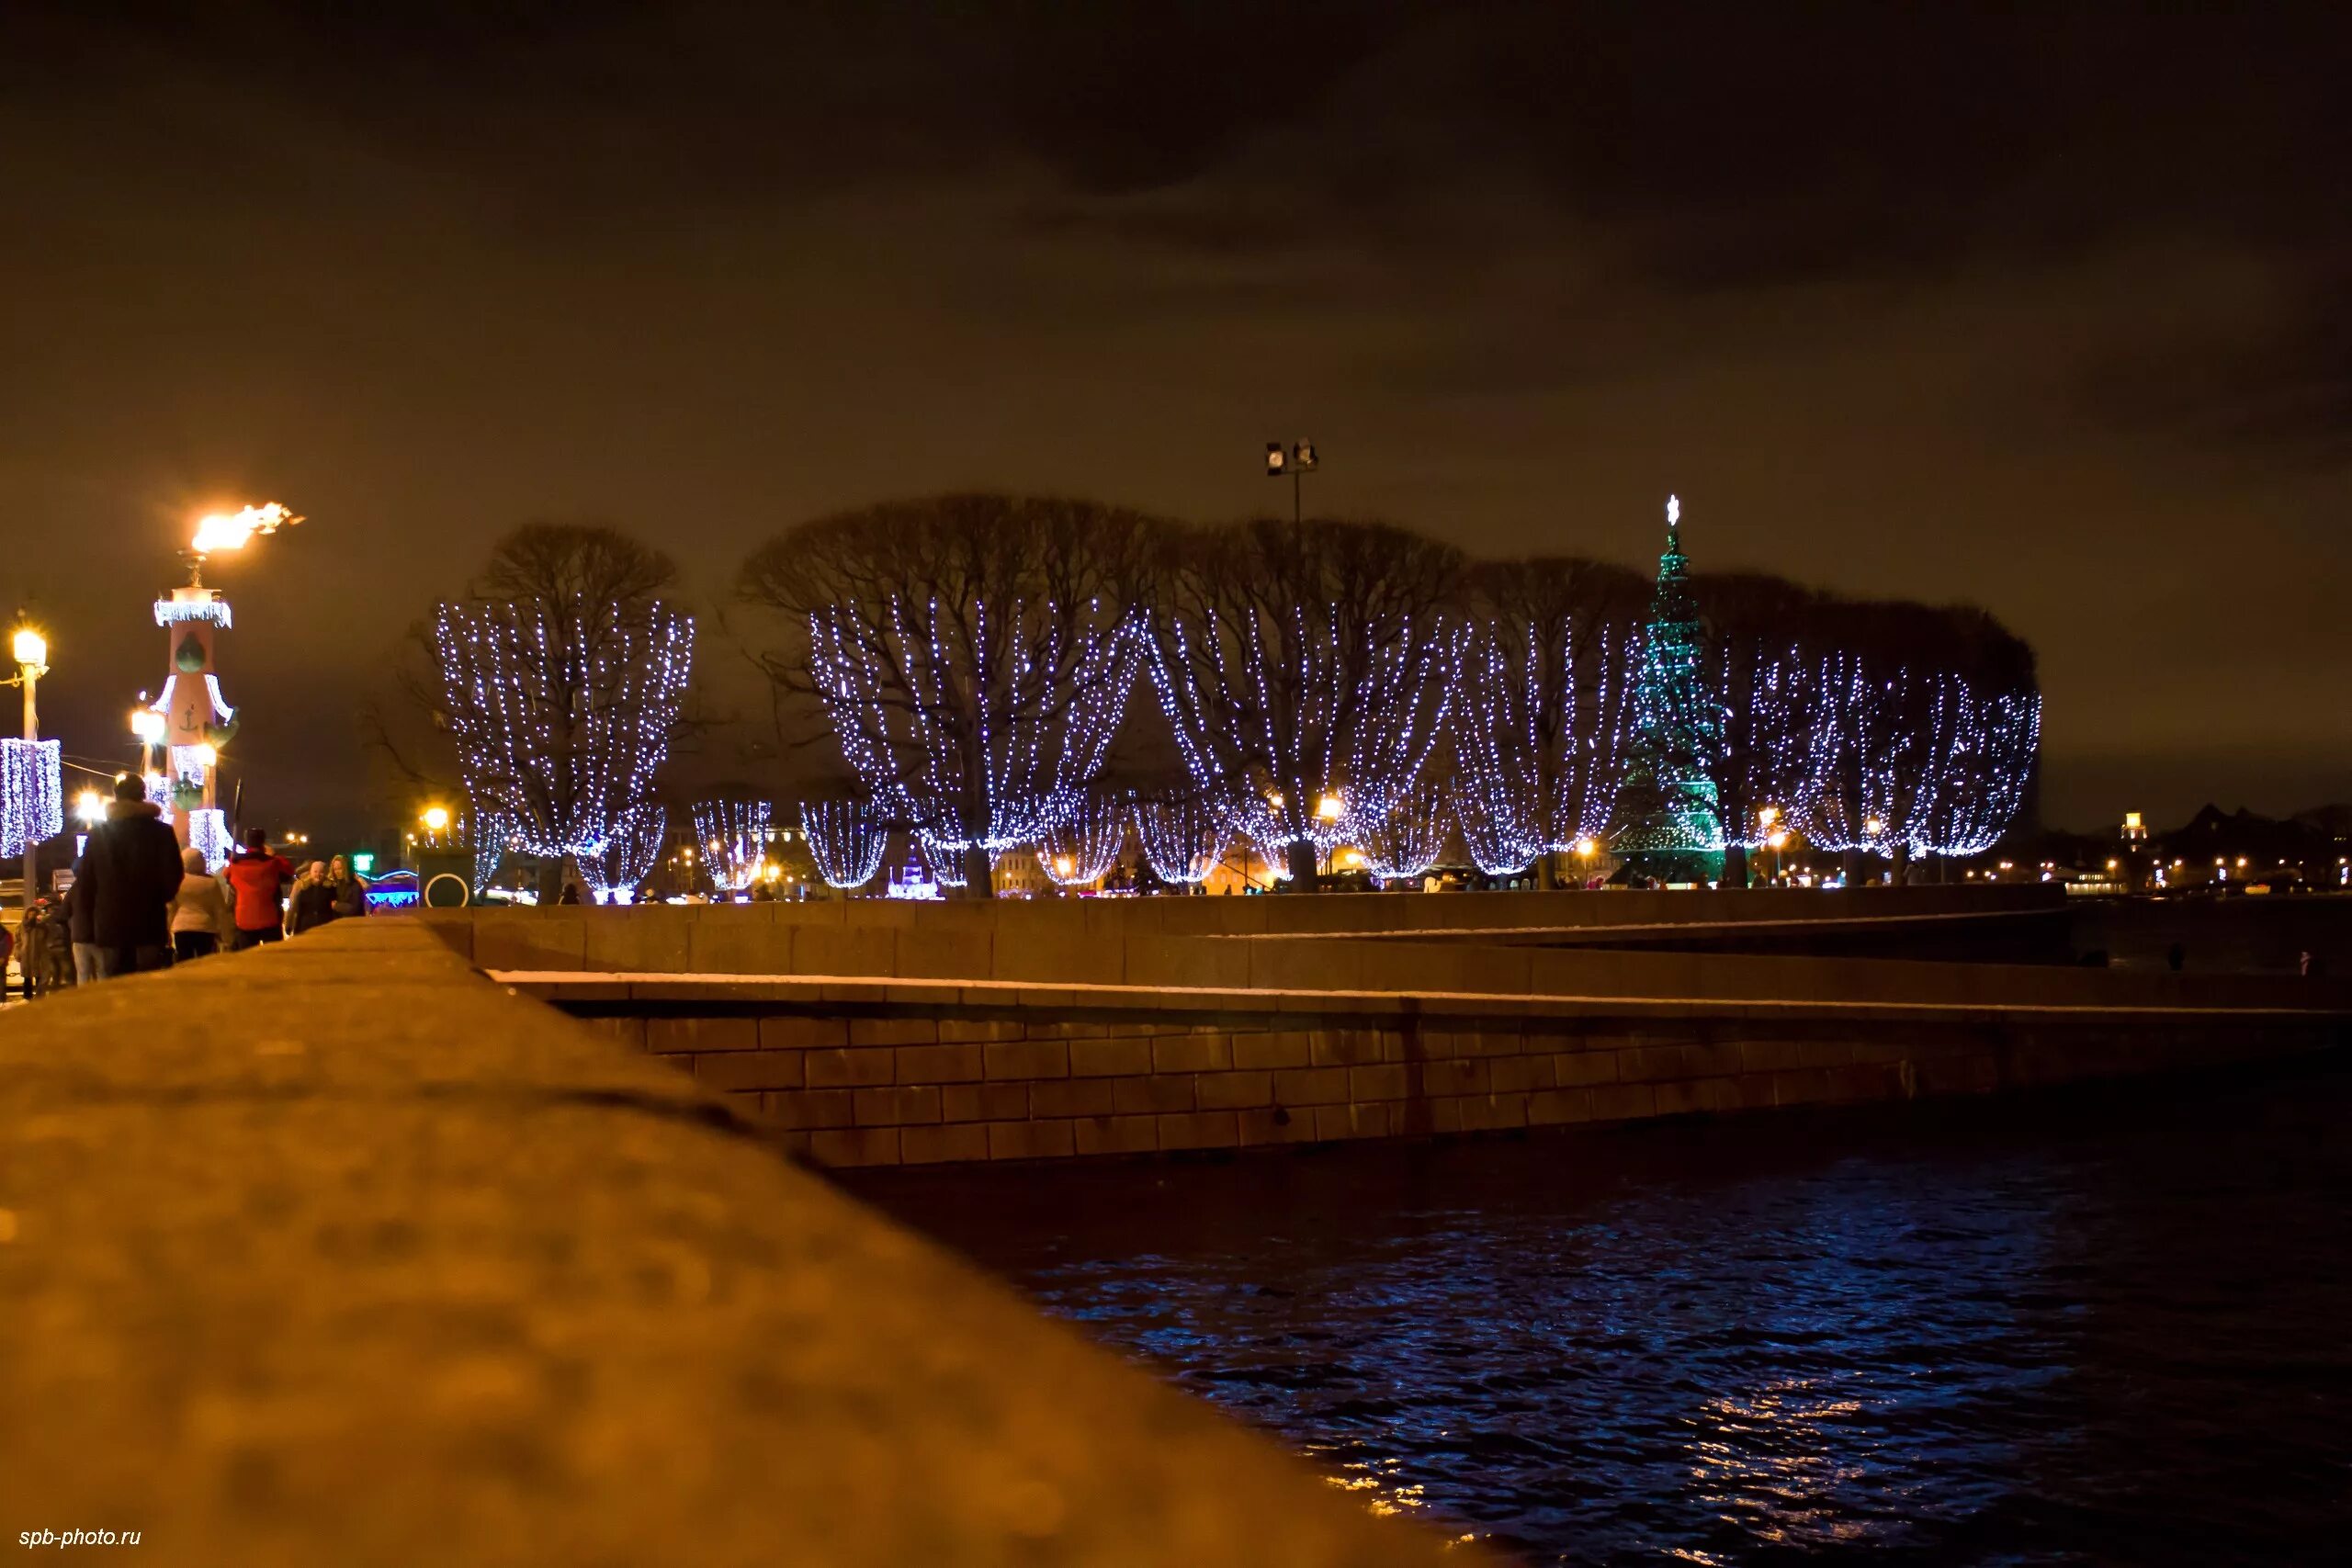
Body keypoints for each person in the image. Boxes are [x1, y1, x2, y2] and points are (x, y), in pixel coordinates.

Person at [79, 773, 185, 977]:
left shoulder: (99, 834)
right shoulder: (161, 832)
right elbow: (173, 873)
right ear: (142, 795)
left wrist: (92, 917)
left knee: (114, 985)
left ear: (116, 796)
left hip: (110, 922)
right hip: (149, 919)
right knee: (148, 984)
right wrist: (159, 897)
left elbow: (86, 881)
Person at [225, 828, 298, 950]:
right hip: (270, 918)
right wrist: (274, 854)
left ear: (246, 841)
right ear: (263, 842)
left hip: (244, 920)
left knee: (247, 960)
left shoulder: (235, 864)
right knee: (273, 958)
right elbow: (289, 871)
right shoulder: (273, 863)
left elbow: (226, 876)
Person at [169, 846, 233, 962]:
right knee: (205, 963)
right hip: (205, 928)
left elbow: (171, 908)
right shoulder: (211, 883)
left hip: (181, 929)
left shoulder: (177, 882)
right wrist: (226, 936)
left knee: (184, 962)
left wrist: (167, 930)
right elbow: (220, 911)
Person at [288, 860, 337, 935]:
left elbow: (334, 910)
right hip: (304, 927)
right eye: (315, 871)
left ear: (325, 873)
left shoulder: (331, 888)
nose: (318, 874)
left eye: (321, 872)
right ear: (311, 872)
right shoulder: (302, 887)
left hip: (325, 927)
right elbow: (294, 907)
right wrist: (289, 925)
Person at [327, 854, 369, 921]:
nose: (337, 872)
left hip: (353, 923)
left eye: (340, 868)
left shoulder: (355, 885)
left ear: (345, 868)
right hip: (338, 924)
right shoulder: (334, 885)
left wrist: (337, 906)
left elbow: (354, 908)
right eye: (335, 869)